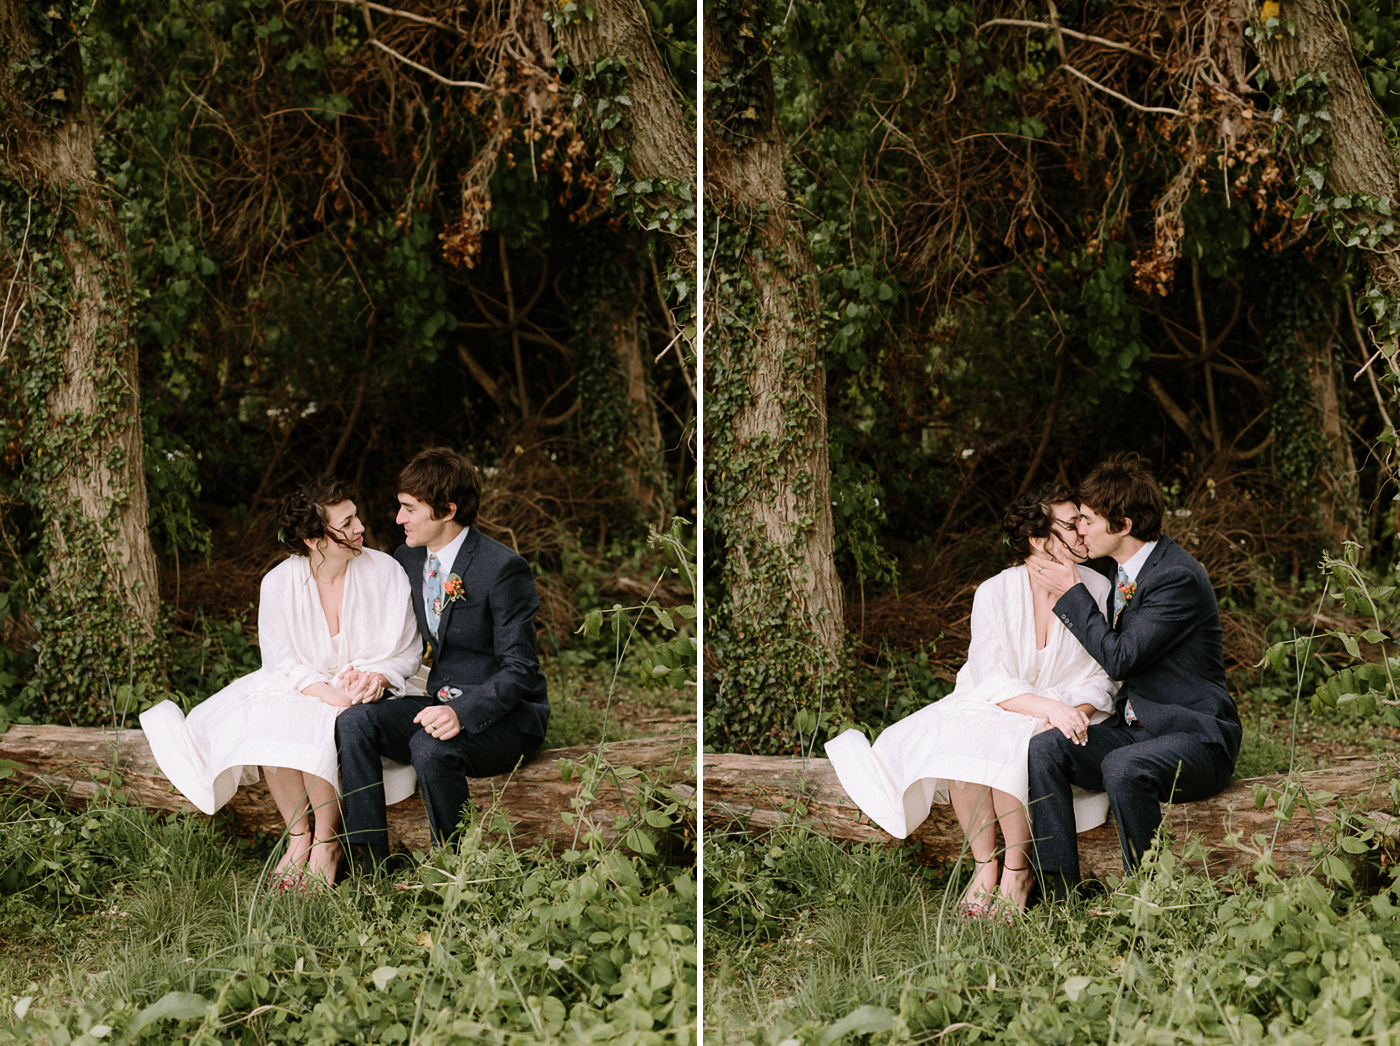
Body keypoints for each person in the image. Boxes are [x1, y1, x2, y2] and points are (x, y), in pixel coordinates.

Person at [824, 485, 1118, 917]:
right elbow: (989, 676)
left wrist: (1068, 712)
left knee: (1020, 740)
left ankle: (1018, 872)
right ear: (1038, 540)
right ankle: (985, 866)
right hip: (999, 701)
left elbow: (1101, 674)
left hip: (1068, 712)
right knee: (962, 732)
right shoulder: (994, 592)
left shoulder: (1097, 587)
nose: (1083, 532)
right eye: (1071, 524)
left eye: (1082, 523)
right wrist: (1046, 708)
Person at [140, 477, 422, 886]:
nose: (360, 527)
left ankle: (327, 843)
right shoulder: (277, 583)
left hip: (374, 690)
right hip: (302, 684)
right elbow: (282, 662)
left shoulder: (387, 572)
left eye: (356, 515)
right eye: (346, 524)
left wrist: (378, 677)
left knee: (325, 719)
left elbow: (409, 650)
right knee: (277, 712)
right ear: (314, 539)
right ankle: (297, 836)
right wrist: (327, 693)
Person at [1025, 453, 1241, 900]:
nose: (1079, 530)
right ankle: (1063, 897)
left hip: (1196, 738)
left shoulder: (1176, 576)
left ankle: (1147, 898)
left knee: (1123, 766)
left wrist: (1071, 593)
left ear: (1122, 525)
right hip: (1138, 731)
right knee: (1046, 747)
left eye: (1086, 520)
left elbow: (1120, 658)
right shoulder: (1123, 572)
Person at [335, 447, 550, 873]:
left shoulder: (502, 569)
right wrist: (372, 671)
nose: (399, 519)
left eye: (409, 508)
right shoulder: (409, 558)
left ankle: (454, 869)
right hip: (438, 700)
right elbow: (396, 633)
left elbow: (520, 669)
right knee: (353, 721)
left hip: (506, 718)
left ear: (447, 510)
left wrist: (462, 713)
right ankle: (370, 862)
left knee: (429, 747)